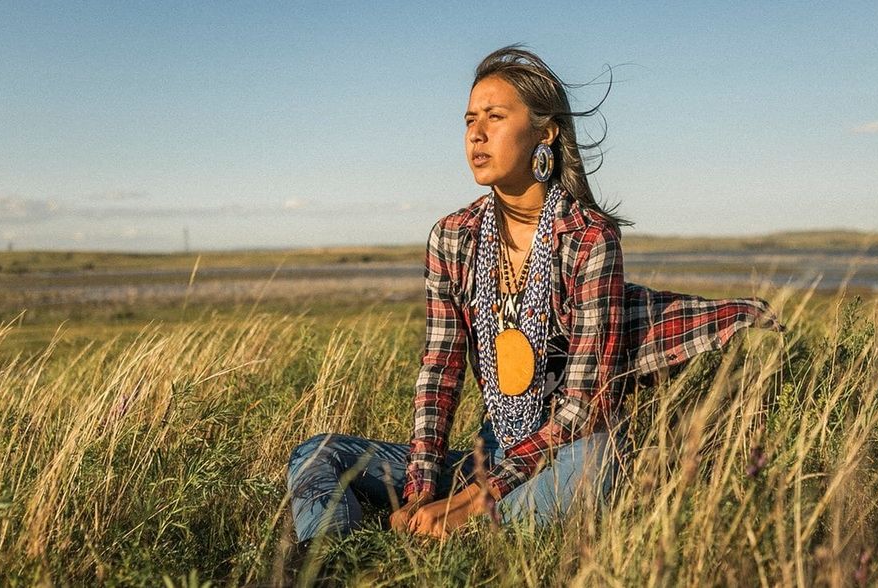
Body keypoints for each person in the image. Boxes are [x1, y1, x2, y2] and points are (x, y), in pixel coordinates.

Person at [286, 46, 780, 544]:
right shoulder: (453, 237)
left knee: (593, 468)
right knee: (318, 453)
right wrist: (420, 491)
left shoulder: (588, 239)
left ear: (545, 133)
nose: (476, 134)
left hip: (566, 452)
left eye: (495, 117)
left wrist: (470, 501)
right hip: (492, 451)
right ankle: (328, 557)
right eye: (469, 120)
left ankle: (475, 524)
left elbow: (585, 407)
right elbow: (440, 372)